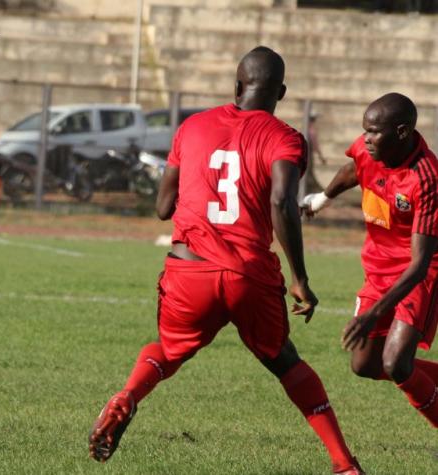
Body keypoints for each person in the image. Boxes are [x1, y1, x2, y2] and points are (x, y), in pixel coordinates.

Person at [88, 46, 363, 475]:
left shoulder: (192, 126)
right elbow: (281, 202)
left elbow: (162, 208)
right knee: (285, 361)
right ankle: (344, 465)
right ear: (281, 92)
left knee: (168, 351)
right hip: (246, 274)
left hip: (189, 269)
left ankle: (127, 396)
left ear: (237, 86)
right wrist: (300, 277)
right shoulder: (287, 138)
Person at [302, 93, 438, 429]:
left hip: (419, 272)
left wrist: (373, 314)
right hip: (378, 268)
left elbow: (420, 264)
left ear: (402, 132)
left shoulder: (427, 178)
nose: (366, 138)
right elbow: (353, 169)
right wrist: (322, 199)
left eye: (374, 131)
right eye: (365, 130)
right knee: (364, 365)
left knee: (396, 363)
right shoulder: (370, 150)